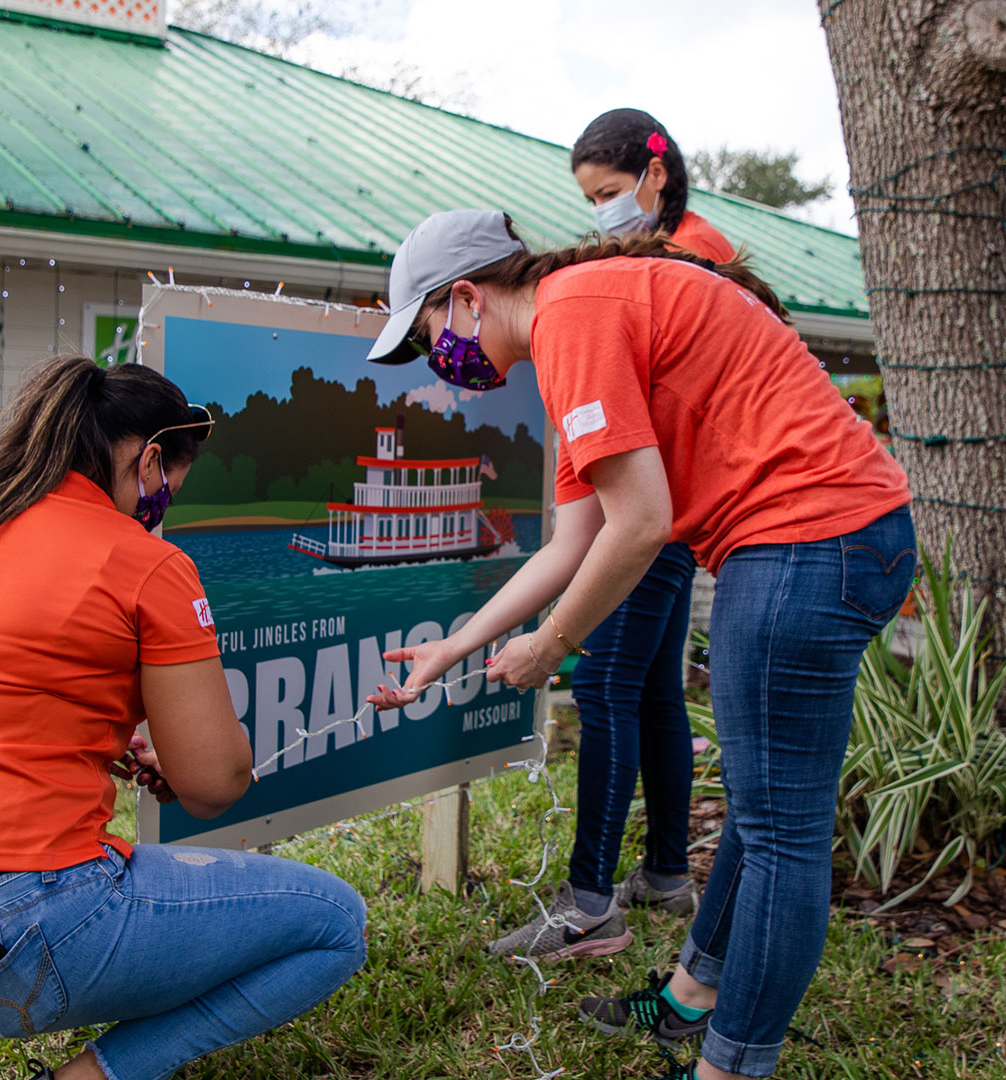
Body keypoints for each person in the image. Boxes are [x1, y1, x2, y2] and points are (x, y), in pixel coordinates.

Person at [366, 209, 913, 1080]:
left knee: (782, 833)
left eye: (428, 333)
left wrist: (550, 648)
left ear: (467, 297)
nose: (437, 359)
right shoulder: (571, 329)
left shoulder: (574, 315)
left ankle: (730, 1066)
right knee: (770, 811)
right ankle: (694, 998)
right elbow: (569, 541)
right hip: (837, 538)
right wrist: (455, 646)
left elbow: (643, 524)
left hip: (808, 541)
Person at [0, 355, 367, 1080]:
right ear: (148, 459)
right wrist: (187, 756)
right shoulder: (145, 563)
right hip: (10, 936)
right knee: (334, 924)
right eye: (169, 483)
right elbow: (213, 784)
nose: (162, 502)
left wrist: (79, 734)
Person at [488, 110, 739, 959]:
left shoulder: (688, 256)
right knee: (654, 691)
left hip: (654, 509)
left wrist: (553, 635)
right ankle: (667, 871)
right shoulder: (671, 247)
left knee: (600, 690)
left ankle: (589, 900)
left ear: (654, 174)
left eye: (606, 192)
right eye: (589, 198)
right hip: (665, 503)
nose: (599, 210)